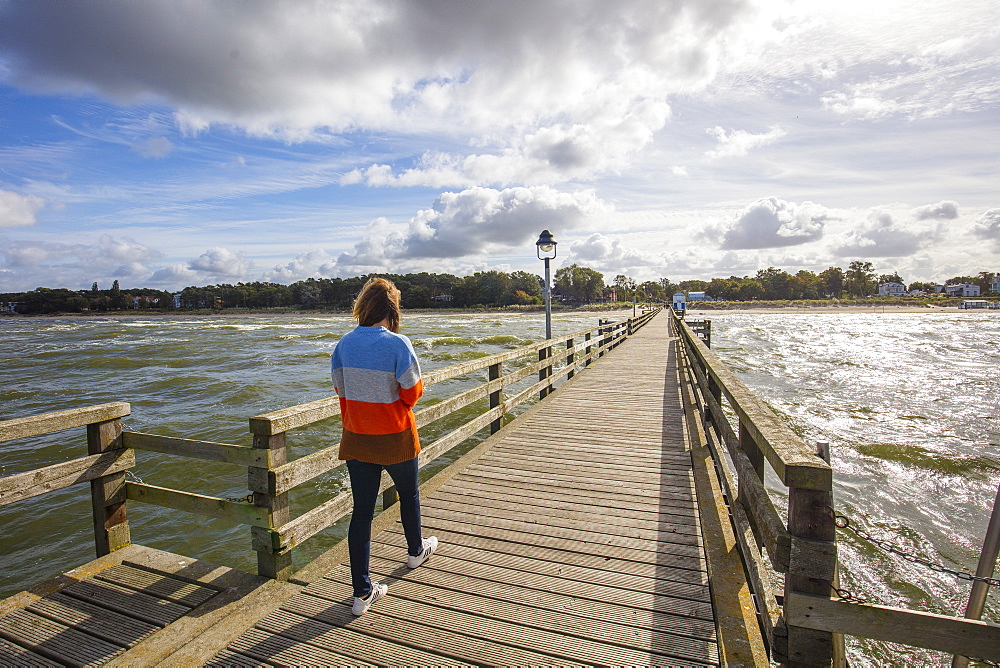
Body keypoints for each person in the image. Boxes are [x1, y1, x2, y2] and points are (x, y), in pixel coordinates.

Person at [331, 277, 438, 616]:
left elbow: (340, 388)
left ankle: (362, 593)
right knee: (410, 495)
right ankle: (414, 551)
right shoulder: (398, 343)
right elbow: (413, 393)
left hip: (358, 436)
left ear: (363, 307)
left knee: (362, 513)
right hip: (396, 436)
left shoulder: (343, 344)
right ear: (392, 309)